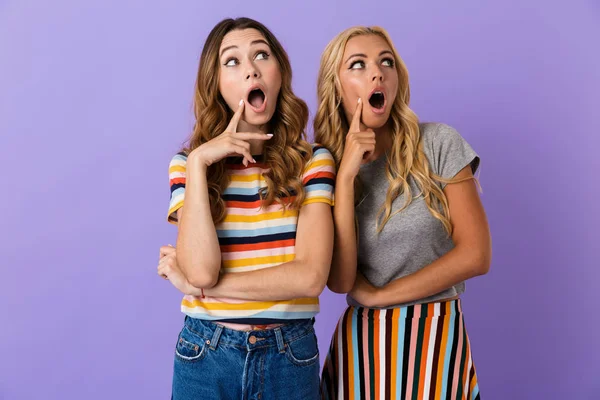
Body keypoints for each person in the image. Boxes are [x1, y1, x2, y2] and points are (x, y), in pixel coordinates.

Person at [157, 17, 335, 400]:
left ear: (278, 73)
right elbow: (202, 267)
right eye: (232, 61)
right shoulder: (187, 165)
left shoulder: (313, 162)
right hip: (205, 352)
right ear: (217, 84)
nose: (251, 67)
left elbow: (309, 277)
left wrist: (202, 290)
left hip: (289, 354)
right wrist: (199, 164)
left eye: (261, 54)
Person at [314, 26, 491, 400]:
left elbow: (476, 254)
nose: (376, 72)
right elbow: (342, 281)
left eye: (386, 62)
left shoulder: (439, 143)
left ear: (396, 81)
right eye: (357, 65)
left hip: (436, 334)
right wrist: (344, 178)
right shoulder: (326, 168)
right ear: (337, 88)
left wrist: (384, 296)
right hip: (362, 348)